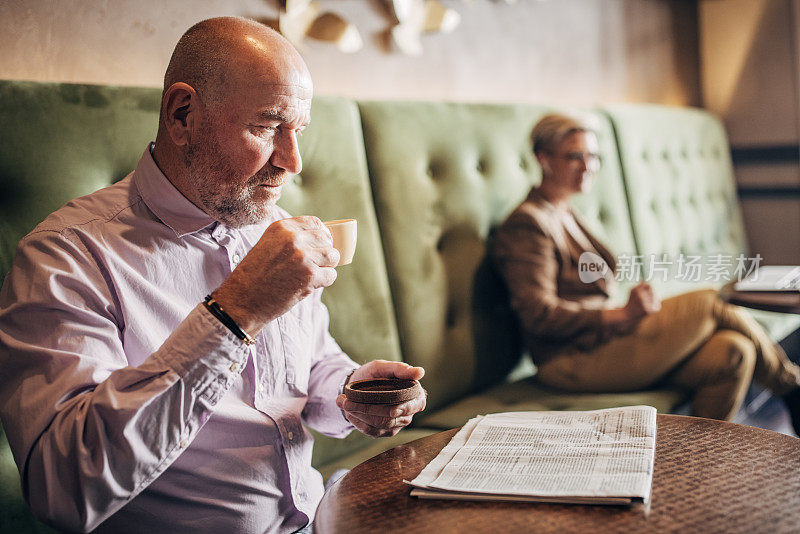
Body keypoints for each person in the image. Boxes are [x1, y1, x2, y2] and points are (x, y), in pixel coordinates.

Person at [0, 17, 426, 533]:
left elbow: (313, 366)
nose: (291, 162)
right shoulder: (67, 259)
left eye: (299, 131)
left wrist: (353, 395)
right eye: (267, 127)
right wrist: (236, 312)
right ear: (182, 115)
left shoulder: (272, 227)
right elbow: (64, 490)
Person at [490, 112, 800, 432]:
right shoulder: (528, 223)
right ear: (544, 160)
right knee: (710, 300)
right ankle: (791, 387)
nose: (587, 166)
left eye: (593, 156)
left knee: (734, 352)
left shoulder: (566, 210)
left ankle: (689, 462)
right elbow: (538, 314)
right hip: (570, 360)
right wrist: (618, 315)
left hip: (605, 341)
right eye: (574, 156)